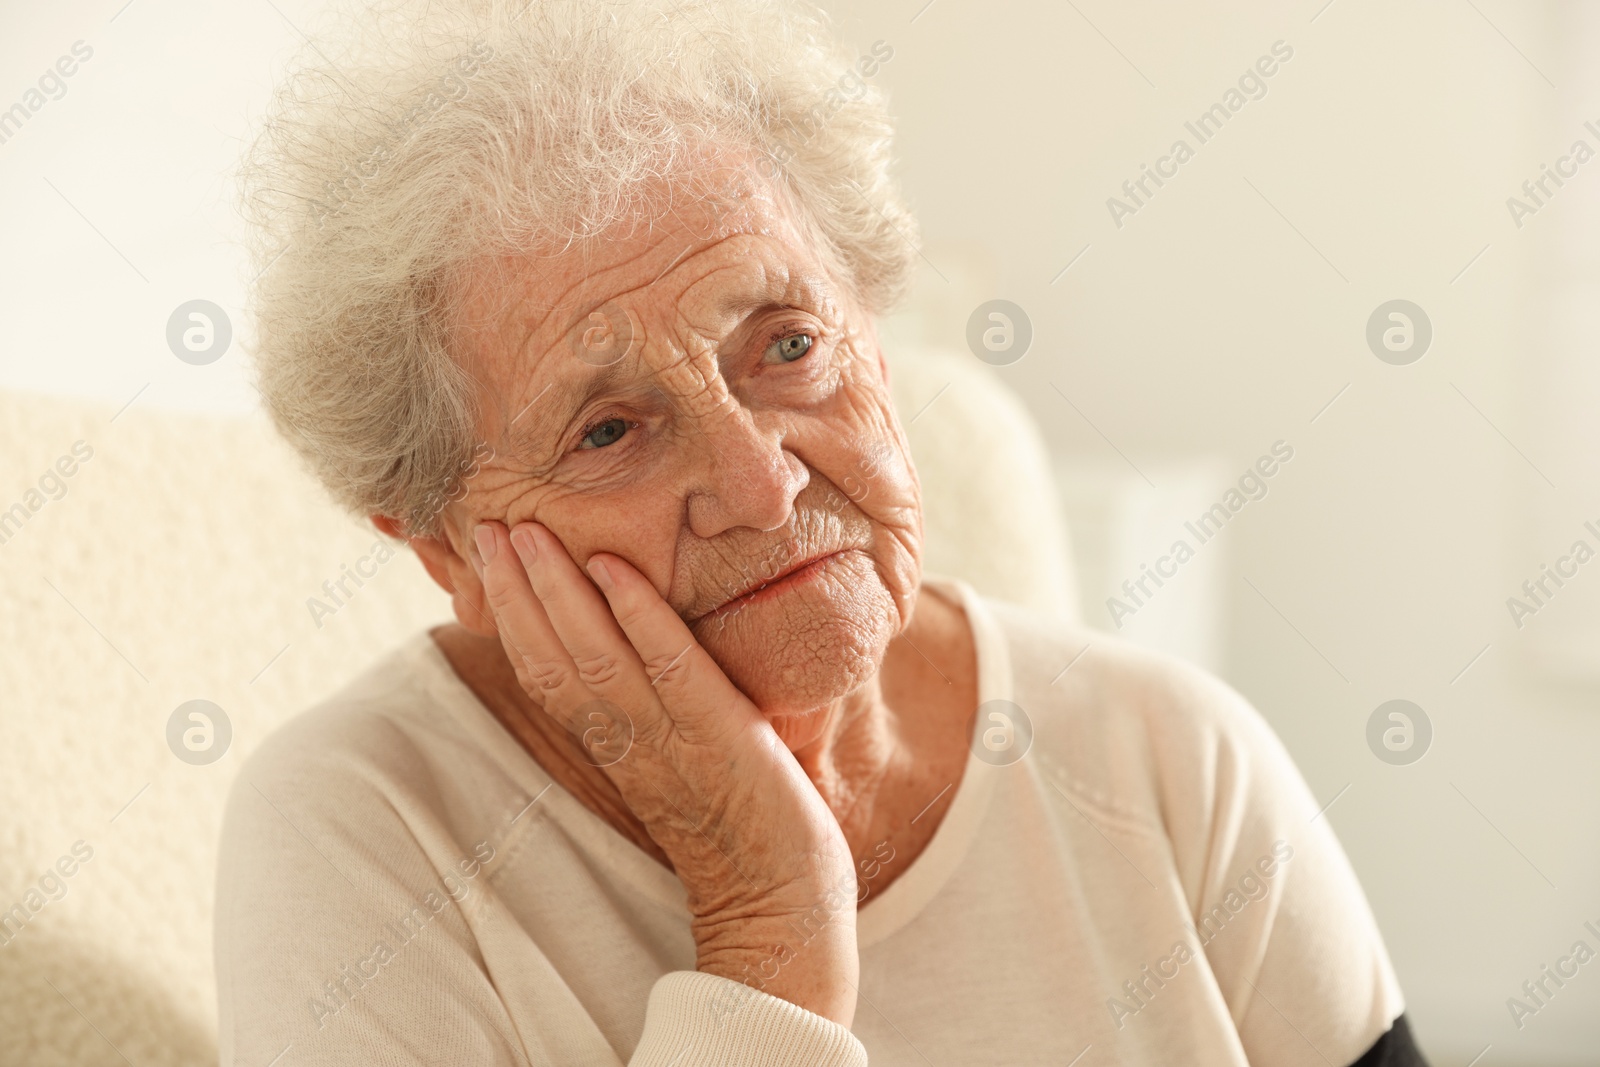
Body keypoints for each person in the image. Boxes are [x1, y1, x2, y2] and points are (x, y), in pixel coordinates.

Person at [218, 1, 1428, 1063]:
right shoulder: (358, 830)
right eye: (608, 430)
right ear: (447, 547)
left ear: (878, 343)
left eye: (786, 345)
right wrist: (765, 929)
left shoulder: (1166, 755)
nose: (758, 482)